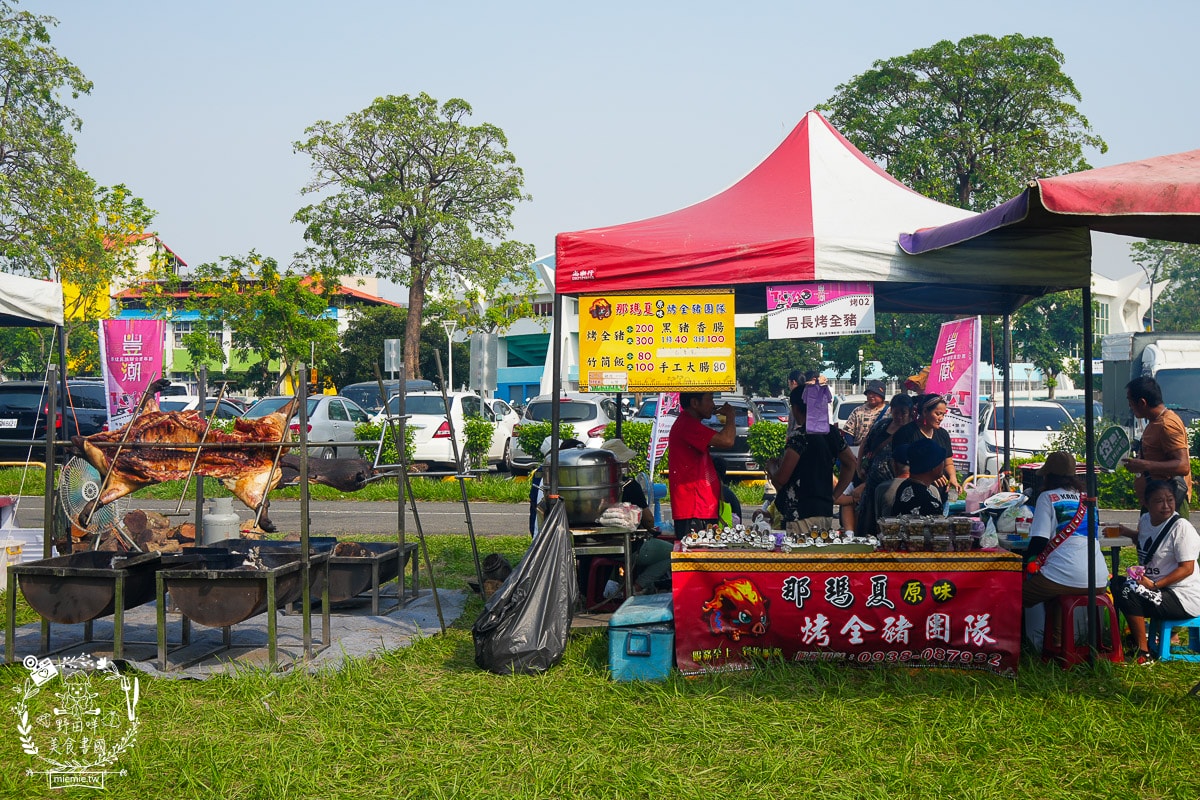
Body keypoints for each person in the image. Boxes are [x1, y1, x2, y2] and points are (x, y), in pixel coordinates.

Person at [1021, 452, 1110, 649]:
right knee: (1054, 588)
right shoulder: (1088, 499)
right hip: (1099, 579)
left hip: (1064, 577)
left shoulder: (1047, 497)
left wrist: (1024, 564)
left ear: (1048, 476)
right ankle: (1059, 643)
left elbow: (1038, 541)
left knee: (1017, 595)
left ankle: (1029, 646)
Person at [1114, 479, 1200, 665]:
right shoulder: (1145, 520)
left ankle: (1144, 653)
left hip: (1182, 596)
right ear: (1146, 503)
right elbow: (1146, 540)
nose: (1166, 506)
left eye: (1170, 500)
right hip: (1157, 591)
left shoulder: (1181, 528)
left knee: (1128, 589)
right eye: (1159, 501)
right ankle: (1136, 639)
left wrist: (1154, 585)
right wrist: (1125, 532)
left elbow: (1187, 568)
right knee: (1116, 583)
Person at [767, 385, 857, 534]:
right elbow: (851, 463)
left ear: (796, 408)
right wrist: (834, 495)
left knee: (802, 555)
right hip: (825, 511)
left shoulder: (799, 437)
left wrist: (771, 467)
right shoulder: (832, 433)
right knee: (818, 556)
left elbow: (781, 479)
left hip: (801, 513)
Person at [599, 438, 673, 594]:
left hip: (601, 546)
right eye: (625, 461)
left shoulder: (597, 486)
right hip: (629, 548)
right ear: (619, 465)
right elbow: (648, 520)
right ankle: (637, 587)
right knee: (671, 552)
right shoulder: (630, 486)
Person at [667, 392, 736, 537]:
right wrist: (730, 416)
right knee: (698, 555)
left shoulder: (689, 423)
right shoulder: (688, 425)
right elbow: (727, 440)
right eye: (710, 399)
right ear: (694, 403)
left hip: (699, 506)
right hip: (694, 508)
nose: (713, 405)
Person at [1123, 376, 1192, 519]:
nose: (1129, 406)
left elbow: (1183, 466)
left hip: (1167, 506)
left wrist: (1144, 465)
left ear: (1142, 402)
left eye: (1130, 401)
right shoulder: (1155, 422)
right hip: (1154, 503)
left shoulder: (1167, 424)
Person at [853, 393, 915, 538]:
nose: (899, 416)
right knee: (867, 521)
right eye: (896, 412)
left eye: (903, 413)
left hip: (895, 485)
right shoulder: (882, 424)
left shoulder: (912, 431)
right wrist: (859, 466)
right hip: (872, 481)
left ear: (910, 412)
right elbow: (865, 444)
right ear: (891, 409)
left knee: (887, 523)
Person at [892, 392, 959, 503]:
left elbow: (948, 462)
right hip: (913, 494)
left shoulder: (943, 434)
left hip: (940, 494)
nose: (941, 418)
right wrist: (931, 476)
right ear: (924, 412)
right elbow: (900, 466)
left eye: (943, 414)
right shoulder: (906, 433)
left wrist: (953, 478)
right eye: (938, 414)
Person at [891, 439, 946, 516]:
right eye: (941, 460)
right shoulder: (929, 503)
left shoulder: (905, 485)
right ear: (933, 466)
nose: (944, 464)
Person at [843, 380, 887, 448]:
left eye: (874, 393)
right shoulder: (858, 411)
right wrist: (852, 449)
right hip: (859, 450)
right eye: (869, 393)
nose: (871, 396)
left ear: (882, 395)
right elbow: (848, 433)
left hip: (879, 452)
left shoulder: (890, 412)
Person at [874, 445, 911, 520]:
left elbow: (878, 522)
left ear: (893, 464)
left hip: (891, 531)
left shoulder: (882, 488)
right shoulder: (931, 489)